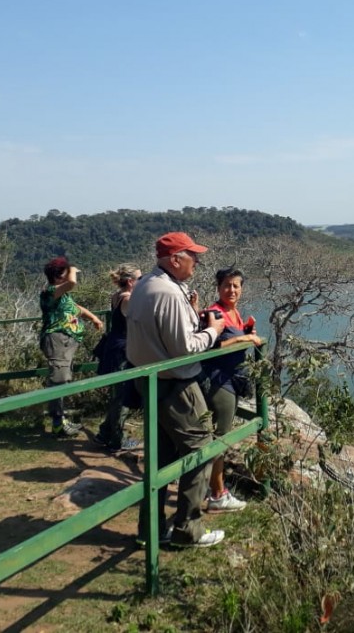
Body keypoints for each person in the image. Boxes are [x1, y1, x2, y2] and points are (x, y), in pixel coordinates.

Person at [127, 232, 227, 548]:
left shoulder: (144, 285)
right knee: (201, 451)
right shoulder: (167, 292)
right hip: (176, 385)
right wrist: (213, 331)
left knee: (162, 459)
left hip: (151, 380)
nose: (196, 262)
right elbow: (184, 349)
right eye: (192, 256)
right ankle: (188, 531)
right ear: (175, 259)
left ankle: (150, 530)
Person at [202, 267, 262, 511]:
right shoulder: (214, 313)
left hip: (232, 380)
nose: (232, 290)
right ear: (218, 287)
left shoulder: (233, 312)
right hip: (219, 381)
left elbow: (234, 338)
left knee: (219, 437)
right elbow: (212, 346)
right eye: (227, 285)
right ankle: (218, 494)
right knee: (221, 438)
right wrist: (243, 339)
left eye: (236, 285)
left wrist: (246, 332)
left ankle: (211, 487)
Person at [39, 257, 103, 437]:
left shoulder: (62, 296)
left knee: (63, 378)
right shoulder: (49, 292)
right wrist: (72, 269)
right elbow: (73, 283)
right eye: (65, 273)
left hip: (66, 342)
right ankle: (58, 422)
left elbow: (77, 308)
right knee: (59, 379)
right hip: (58, 340)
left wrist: (94, 319)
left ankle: (61, 420)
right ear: (59, 277)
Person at [94, 263, 142, 452]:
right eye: (140, 278)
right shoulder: (129, 299)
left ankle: (105, 433)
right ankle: (117, 440)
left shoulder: (117, 296)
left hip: (114, 347)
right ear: (131, 282)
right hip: (122, 350)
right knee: (122, 396)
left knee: (117, 394)